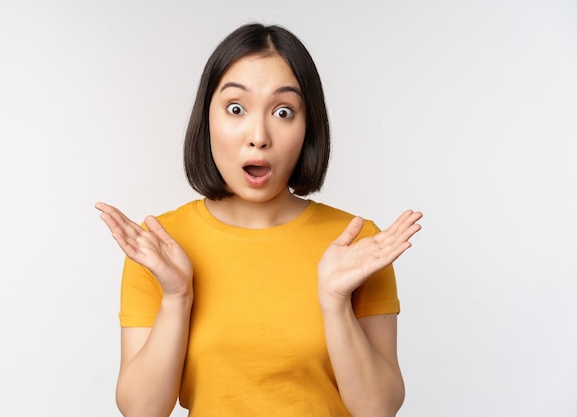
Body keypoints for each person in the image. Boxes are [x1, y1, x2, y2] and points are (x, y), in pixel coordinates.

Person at [96, 22, 422, 417]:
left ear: (308, 127)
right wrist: (176, 297)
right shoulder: (161, 245)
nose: (259, 135)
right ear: (207, 118)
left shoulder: (358, 243)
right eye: (236, 108)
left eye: (284, 111)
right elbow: (141, 411)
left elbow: (379, 409)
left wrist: (335, 302)